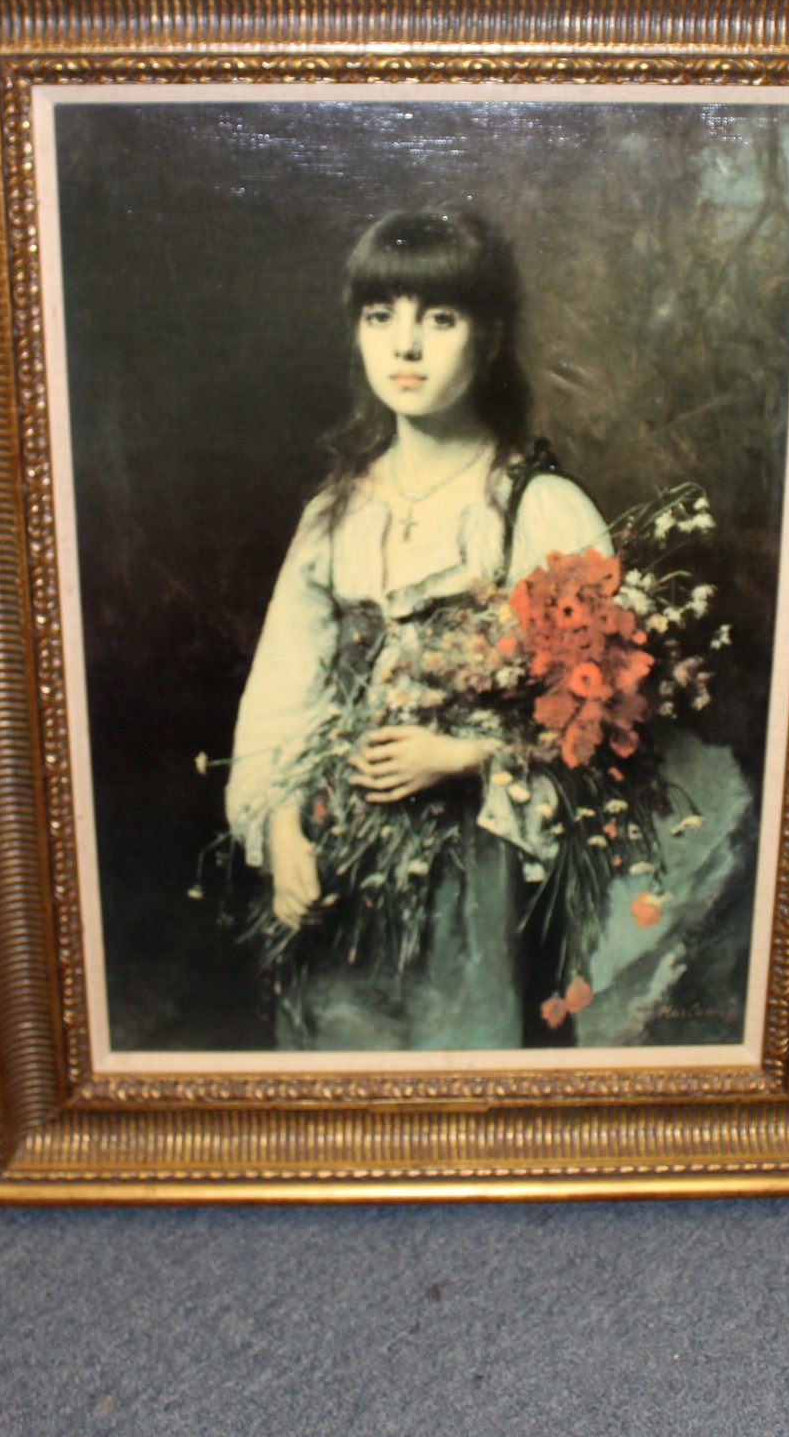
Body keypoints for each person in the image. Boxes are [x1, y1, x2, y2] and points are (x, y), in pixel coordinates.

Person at [223, 206, 616, 1052]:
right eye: (381, 316)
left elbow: (605, 719)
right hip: (339, 858)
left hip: (478, 882)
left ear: (490, 335)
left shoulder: (536, 510)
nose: (405, 347)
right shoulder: (334, 519)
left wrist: (467, 756)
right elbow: (280, 703)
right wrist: (283, 829)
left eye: (439, 318)